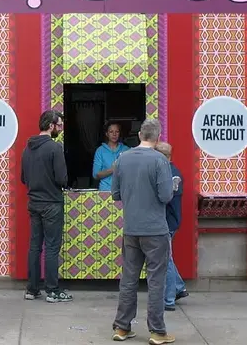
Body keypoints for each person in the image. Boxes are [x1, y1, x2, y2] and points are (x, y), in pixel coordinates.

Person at [111, 119, 175, 345]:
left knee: (128, 279)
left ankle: (122, 327)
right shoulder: (160, 160)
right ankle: (157, 331)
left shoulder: (122, 158)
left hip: (131, 229)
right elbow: (166, 196)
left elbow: (115, 194)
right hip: (155, 230)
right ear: (158, 137)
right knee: (156, 281)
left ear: (139, 135)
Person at [21, 110, 73, 303]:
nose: (60, 129)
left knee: (35, 246)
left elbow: (23, 178)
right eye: (59, 125)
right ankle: (52, 291)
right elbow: (62, 178)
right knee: (52, 247)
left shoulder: (27, 149)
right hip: (51, 203)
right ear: (51, 126)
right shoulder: (54, 148)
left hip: (34, 203)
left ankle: (32, 289)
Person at [155, 142, 189, 311]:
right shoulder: (173, 171)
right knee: (167, 258)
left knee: (165, 261)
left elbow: (163, 199)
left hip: (167, 223)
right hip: (172, 221)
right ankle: (179, 287)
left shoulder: (167, 174)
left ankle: (169, 300)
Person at [93, 122, 130, 191]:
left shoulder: (126, 150)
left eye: (117, 131)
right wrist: (112, 169)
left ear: (119, 133)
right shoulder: (100, 151)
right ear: (106, 134)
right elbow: (96, 175)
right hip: (105, 190)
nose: (114, 134)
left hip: (123, 190)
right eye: (111, 132)